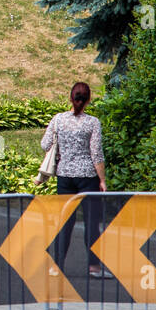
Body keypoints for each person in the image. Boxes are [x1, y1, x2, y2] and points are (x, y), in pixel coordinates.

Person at [41, 82, 109, 279]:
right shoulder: (93, 123)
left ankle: (57, 266)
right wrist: (102, 180)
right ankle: (94, 267)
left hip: (64, 177)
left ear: (70, 98)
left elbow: (45, 144)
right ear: (88, 100)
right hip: (88, 177)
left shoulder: (58, 120)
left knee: (65, 222)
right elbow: (96, 153)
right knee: (91, 222)